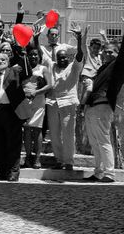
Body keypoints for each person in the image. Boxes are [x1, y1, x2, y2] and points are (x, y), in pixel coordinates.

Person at [83, 27, 124, 183]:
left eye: (111, 52)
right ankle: (99, 171)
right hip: (92, 106)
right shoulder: (102, 67)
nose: (107, 54)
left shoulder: (116, 67)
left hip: (103, 105)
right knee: (94, 141)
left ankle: (109, 173)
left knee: (103, 139)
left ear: (116, 54)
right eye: (105, 51)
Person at [45, 25, 86, 171]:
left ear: (68, 58)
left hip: (68, 103)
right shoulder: (52, 66)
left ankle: (69, 161)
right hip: (52, 103)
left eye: (64, 57)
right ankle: (59, 159)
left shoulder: (74, 67)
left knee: (68, 134)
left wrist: (80, 38)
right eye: (59, 57)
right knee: (55, 134)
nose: (62, 59)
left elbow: (80, 54)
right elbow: (40, 53)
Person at [0, 53, 26, 181]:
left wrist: (22, 55)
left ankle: (14, 172)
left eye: (3, 59)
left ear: (8, 61)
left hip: (12, 111)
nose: (1, 61)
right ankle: (2, 171)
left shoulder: (14, 72)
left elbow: (26, 72)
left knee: (13, 143)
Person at [19, 48, 52, 169]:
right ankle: (28, 157)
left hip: (38, 101)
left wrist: (36, 92)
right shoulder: (24, 69)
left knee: (37, 129)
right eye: (31, 54)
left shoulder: (43, 68)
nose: (33, 57)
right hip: (25, 101)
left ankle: (37, 158)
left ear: (39, 56)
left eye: (35, 55)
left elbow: (50, 85)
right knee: (26, 129)